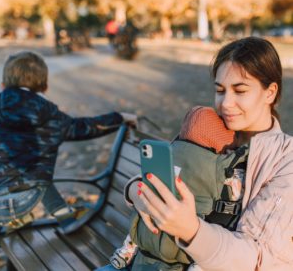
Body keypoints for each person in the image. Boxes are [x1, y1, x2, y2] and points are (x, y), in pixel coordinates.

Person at [100, 36, 293, 270]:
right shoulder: (209, 130)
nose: (226, 104)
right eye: (220, 90)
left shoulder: (285, 158)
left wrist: (191, 230)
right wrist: (135, 191)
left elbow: (257, 257)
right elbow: (176, 174)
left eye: (240, 90)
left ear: (270, 92)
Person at [0, 51, 137, 271]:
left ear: (3, 86)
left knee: (25, 177)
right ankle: (65, 218)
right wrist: (120, 117)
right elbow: (85, 127)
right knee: (36, 175)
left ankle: (58, 219)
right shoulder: (50, 116)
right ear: (44, 87)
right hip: (26, 199)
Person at [108, 106, 239, 271]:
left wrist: (134, 189)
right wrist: (133, 190)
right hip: (181, 250)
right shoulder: (221, 166)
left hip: (146, 248)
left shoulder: (175, 150)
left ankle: (127, 249)